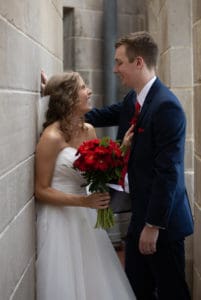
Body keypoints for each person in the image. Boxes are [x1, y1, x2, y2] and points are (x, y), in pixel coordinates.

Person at [85, 31, 194, 300]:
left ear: (138, 62)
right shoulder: (133, 100)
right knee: (135, 288)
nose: (115, 69)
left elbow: (168, 174)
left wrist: (153, 226)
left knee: (172, 292)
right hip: (140, 217)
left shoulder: (166, 106)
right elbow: (99, 115)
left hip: (162, 225)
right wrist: (58, 102)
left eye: (119, 62)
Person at [35, 71, 136, 300]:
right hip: (60, 219)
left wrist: (122, 150)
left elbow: (98, 170)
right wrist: (83, 201)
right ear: (68, 97)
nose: (89, 91)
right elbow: (41, 190)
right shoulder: (51, 138)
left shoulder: (88, 130)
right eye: (83, 87)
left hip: (87, 217)